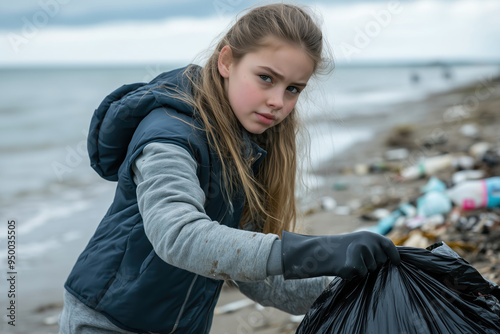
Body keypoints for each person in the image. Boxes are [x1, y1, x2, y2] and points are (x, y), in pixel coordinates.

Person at [59, 3, 400, 333]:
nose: (278, 102)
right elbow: (177, 236)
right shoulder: (168, 137)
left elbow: (256, 275)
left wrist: (349, 285)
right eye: (266, 78)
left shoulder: (247, 144)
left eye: (293, 89)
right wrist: (318, 250)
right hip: (106, 323)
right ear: (226, 61)